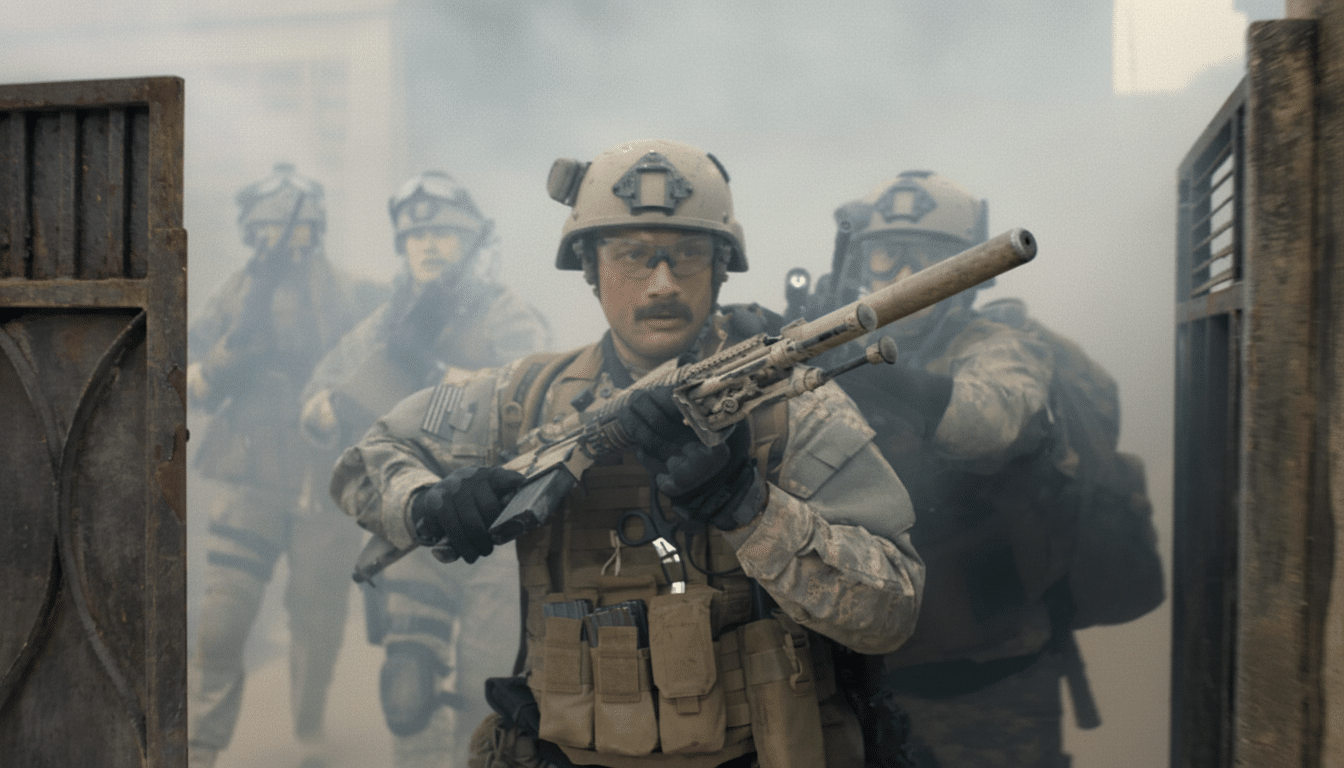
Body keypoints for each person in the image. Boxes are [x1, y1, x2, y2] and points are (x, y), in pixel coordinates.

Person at [329, 139, 926, 768]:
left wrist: (749, 508)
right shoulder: (526, 400)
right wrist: (427, 505)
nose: (662, 284)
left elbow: (892, 608)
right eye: (633, 256)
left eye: (688, 255)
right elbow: (364, 463)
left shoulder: (788, 406)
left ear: (720, 268)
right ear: (591, 268)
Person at [804, 171, 1164, 768]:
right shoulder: (836, 350)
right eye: (886, 256)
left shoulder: (999, 343)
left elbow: (994, 420)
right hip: (863, 675)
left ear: (968, 275)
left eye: (926, 260)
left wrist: (880, 380)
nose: (902, 276)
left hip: (990, 683)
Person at [300, 170, 552, 768]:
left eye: (443, 233)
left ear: (470, 241)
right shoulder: (385, 326)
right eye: (416, 236)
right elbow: (315, 398)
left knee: (486, 699)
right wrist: (332, 407)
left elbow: (534, 398)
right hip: (416, 523)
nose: (429, 245)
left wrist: (436, 378)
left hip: (497, 528)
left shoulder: (506, 314)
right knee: (406, 689)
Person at [186, 163, 386, 768]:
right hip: (249, 471)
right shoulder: (232, 296)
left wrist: (342, 400)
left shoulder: (352, 295)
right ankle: (200, 744)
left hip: (326, 477)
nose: (283, 237)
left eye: (296, 225)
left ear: (315, 230)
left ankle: (308, 728)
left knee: (318, 619)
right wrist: (224, 364)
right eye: (271, 226)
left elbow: (386, 365)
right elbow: (185, 378)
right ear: (253, 231)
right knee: (222, 620)